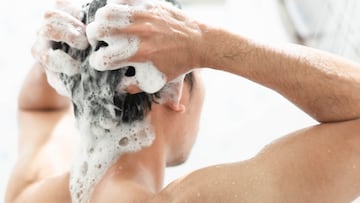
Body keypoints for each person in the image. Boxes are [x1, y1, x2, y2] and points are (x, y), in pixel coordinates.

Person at [5, 0, 360, 202]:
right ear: (176, 93)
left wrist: (63, 58)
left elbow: (36, 108)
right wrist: (204, 43)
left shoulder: (31, 193)